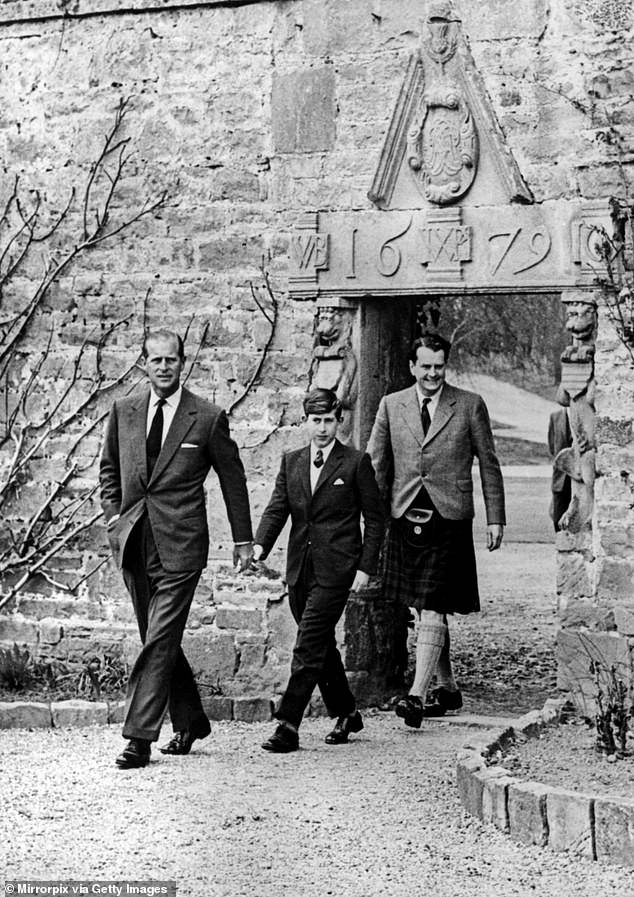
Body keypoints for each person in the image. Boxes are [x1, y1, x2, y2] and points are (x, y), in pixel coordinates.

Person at [100, 329, 254, 769]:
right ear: (143, 364)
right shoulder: (124, 410)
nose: (163, 367)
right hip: (134, 541)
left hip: (182, 545)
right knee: (159, 639)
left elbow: (233, 480)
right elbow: (109, 469)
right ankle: (190, 720)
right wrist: (114, 516)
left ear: (182, 363)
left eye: (171, 360)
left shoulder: (205, 417)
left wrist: (243, 541)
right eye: (156, 360)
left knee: (160, 637)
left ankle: (138, 738)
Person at [367, 333, 505, 728]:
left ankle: (416, 696)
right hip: (404, 516)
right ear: (412, 367)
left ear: (446, 366)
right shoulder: (391, 406)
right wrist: (372, 520)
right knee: (424, 605)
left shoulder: (469, 405)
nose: (432, 374)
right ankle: (447, 689)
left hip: (450, 517)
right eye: (425, 366)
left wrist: (496, 517)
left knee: (432, 603)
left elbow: (489, 463)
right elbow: (375, 464)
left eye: (438, 366)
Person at [254, 388, 385, 752]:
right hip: (299, 569)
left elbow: (375, 520)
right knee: (322, 645)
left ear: (338, 420)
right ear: (305, 421)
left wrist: (365, 568)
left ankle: (288, 724)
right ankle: (347, 712)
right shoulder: (292, 461)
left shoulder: (356, 462)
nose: (323, 428)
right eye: (316, 421)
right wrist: (260, 545)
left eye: (329, 420)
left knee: (308, 643)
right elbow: (277, 508)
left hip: (336, 570)